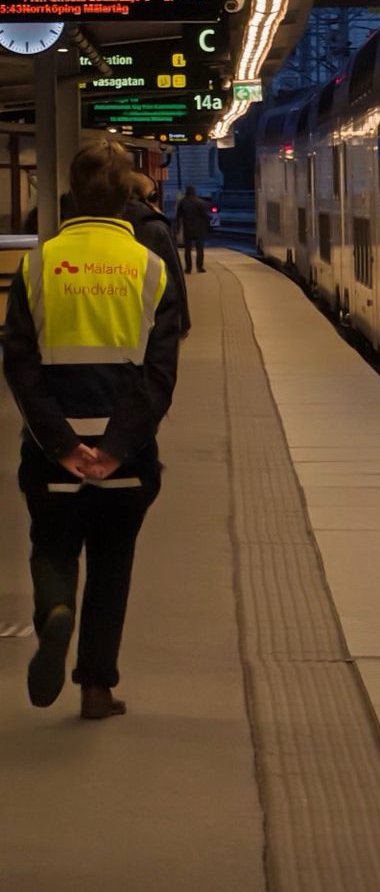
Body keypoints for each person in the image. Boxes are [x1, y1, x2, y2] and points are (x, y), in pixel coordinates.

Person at [4, 140, 183, 718]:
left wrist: (62, 445)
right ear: (128, 195)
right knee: (113, 564)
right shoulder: (150, 268)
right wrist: (114, 449)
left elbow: (20, 365)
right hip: (125, 458)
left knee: (52, 543)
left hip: (51, 452)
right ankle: (97, 688)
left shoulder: (38, 264)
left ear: (72, 195)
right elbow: (159, 374)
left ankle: (56, 608)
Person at [124, 173, 189, 337]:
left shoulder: (105, 224)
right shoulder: (156, 228)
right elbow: (174, 277)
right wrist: (183, 322)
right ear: (150, 196)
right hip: (152, 319)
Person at [174, 185, 210, 273]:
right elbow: (205, 216)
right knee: (200, 249)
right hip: (199, 229)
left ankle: (188, 268)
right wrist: (208, 224)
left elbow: (178, 216)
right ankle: (200, 267)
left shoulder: (182, 202)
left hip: (187, 229)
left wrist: (178, 228)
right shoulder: (200, 202)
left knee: (187, 250)